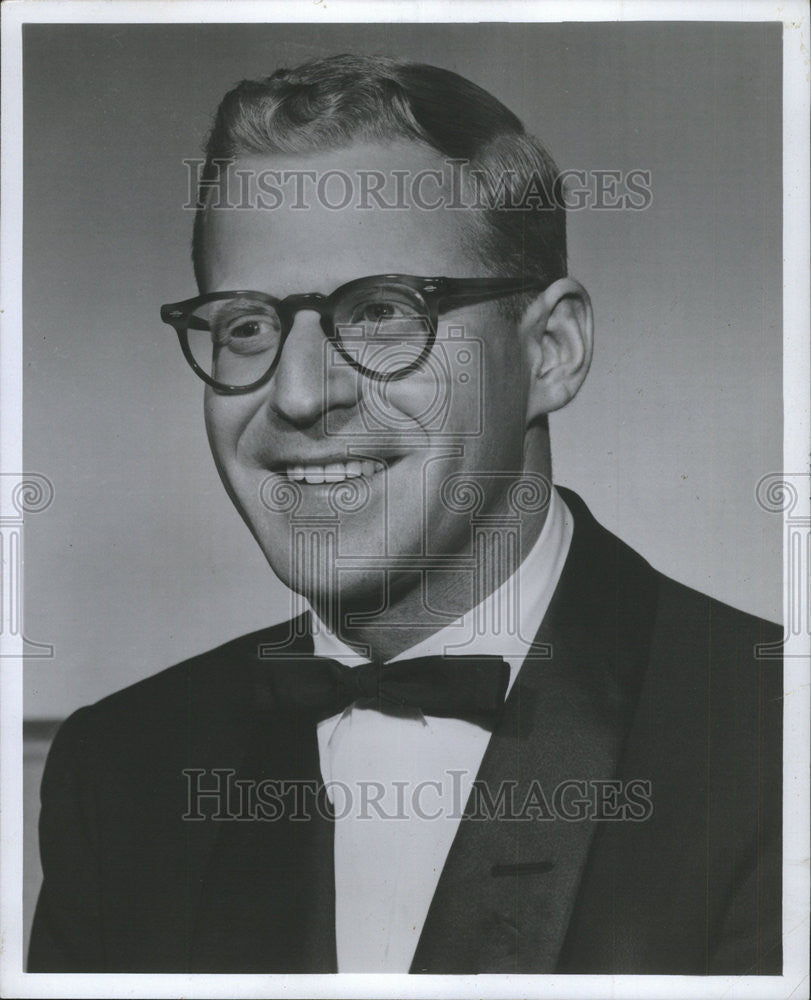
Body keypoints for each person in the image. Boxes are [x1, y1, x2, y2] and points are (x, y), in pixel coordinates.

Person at [29, 54, 782, 975]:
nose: (301, 396)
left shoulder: (772, 743)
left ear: (550, 351)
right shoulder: (120, 769)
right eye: (247, 325)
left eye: (382, 312)